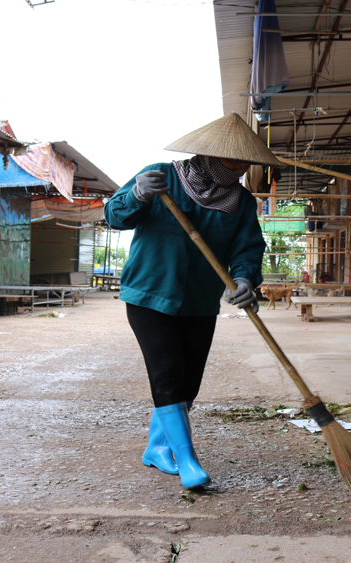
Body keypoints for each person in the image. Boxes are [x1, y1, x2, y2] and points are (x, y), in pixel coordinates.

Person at [104, 113, 279, 489]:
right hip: (149, 294)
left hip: (199, 300)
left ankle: (156, 449)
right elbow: (114, 218)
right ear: (209, 156)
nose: (241, 170)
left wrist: (246, 278)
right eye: (234, 163)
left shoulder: (241, 203)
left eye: (245, 164)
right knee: (166, 372)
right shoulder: (162, 178)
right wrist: (136, 194)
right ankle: (186, 460)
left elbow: (248, 248)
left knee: (189, 381)